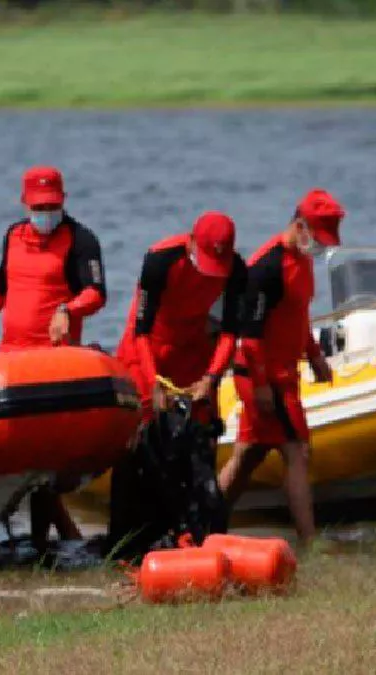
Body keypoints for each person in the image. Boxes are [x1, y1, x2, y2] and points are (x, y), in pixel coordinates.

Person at [0, 165, 108, 553]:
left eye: (52, 206)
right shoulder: (13, 235)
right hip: (12, 361)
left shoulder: (81, 240)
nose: (46, 214)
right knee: (23, 465)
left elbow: (96, 293)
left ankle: (44, 544)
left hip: (53, 367)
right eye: (39, 207)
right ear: (24, 203)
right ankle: (58, 539)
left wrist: (68, 310)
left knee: (44, 464)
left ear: (63, 201)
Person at [106, 211, 247, 557]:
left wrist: (211, 379)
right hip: (147, 350)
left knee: (200, 439)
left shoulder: (237, 270)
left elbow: (230, 332)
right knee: (139, 439)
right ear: (192, 244)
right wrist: (154, 383)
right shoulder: (161, 260)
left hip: (194, 354)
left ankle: (199, 535)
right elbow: (141, 330)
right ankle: (128, 542)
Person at [217, 189, 346, 549]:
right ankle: (309, 541)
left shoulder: (301, 262)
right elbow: (251, 335)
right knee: (297, 451)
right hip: (262, 375)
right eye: (318, 239)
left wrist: (315, 356)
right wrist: (260, 387)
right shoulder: (266, 267)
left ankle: (205, 523)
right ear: (300, 226)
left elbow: (297, 317)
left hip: (284, 374)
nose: (321, 248)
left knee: (249, 454)